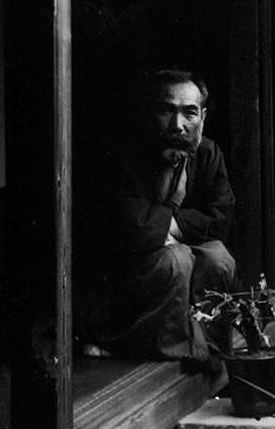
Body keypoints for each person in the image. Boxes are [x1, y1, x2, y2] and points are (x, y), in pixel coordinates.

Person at [80, 69, 236, 370]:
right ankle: (169, 353)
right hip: (128, 275)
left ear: (203, 117)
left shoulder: (208, 153)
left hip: (175, 255)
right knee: (176, 259)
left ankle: (206, 345)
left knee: (217, 257)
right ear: (150, 113)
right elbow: (131, 226)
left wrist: (168, 226)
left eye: (189, 112)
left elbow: (221, 221)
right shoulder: (124, 154)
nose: (178, 125)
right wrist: (181, 231)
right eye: (166, 111)